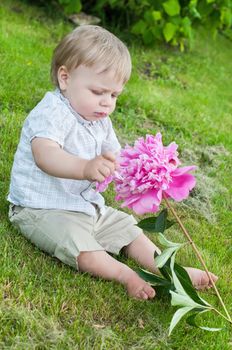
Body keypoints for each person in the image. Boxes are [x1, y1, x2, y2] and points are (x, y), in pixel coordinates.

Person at [8, 25, 217, 300]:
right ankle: (125, 274)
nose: (106, 102)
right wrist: (84, 168)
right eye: (98, 92)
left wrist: (141, 178)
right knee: (78, 244)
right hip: (43, 209)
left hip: (89, 208)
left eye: (114, 95)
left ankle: (170, 269)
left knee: (128, 228)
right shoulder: (51, 112)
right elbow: (44, 154)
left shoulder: (100, 120)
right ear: (65, 78)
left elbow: (116, 159)